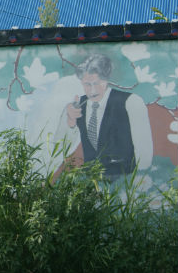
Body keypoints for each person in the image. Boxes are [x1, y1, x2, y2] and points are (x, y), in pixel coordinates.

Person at [58, 53, 153, 181]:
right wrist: (70, 122)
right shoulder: (76, 106)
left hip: (125, 180)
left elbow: (144, 150)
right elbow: (58, 149)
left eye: (97, 83)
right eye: (87, 84)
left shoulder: (131, 102)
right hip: (91, 183)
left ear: (106, 80)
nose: (92, 90)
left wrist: (138, 181)